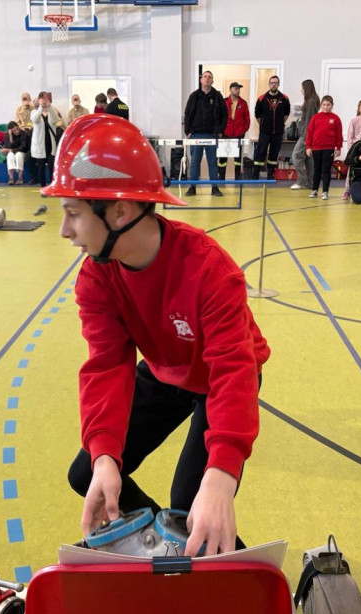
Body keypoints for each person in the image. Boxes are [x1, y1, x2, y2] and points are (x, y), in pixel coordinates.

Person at [43, 112, 269, 565]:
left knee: (195, 508)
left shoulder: (208, 269)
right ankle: (165, 546)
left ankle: (251, 577)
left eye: (73, 214)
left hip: (216, 377)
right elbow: (106, 365)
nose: (65, 230)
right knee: (88, 469)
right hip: (168, 370)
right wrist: (106, 454)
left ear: (121, 212)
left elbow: (233, 369)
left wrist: (221, 474)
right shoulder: (96, 279)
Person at [182, 71, 227, 197]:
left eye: (210, 77)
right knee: (195, 162)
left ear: (212, 81)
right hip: (196, 135)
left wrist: (220, 131)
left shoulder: (217, 96)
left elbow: (225, 115)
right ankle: (192, 187)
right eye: (205, 77)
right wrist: (188, 131)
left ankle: (214, 187)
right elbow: (187, 114)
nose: (207, 79)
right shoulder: (194, 96)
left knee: (213, 162)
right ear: (201, 80)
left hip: (212, 135)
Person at [304, 95, 343, 201]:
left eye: (328, 105)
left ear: (332, 105)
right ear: (321, 105)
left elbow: (339, 134)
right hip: (316, 148)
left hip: (329, 148)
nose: (326, 107)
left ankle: (325, 191)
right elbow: (310, 132)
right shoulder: (315, 117)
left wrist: (338, 147)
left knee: (326, 169)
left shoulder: (335, 118)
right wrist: (308, 147)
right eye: (324, 105)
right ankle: (314, 190)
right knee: (316, 169)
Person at [253, 75, 290, 180]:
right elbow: (257, 114)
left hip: (278, 133)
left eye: (276, 82)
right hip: (265, 132)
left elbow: (286, 114)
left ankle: (270, 174)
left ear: (278, 84)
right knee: (261, 153)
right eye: (272, 82)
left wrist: (280, 124)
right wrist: (264, 124)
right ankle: (256, 174)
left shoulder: (285, 98)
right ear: (269, 84)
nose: (274, 84)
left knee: (274, 154)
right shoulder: (262, 99)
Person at [289, 79, 319, 191]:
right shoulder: (312, 100)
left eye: (302, 87)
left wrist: (306, 138)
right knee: (308, 159)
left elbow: (309, 121)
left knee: (296, 156)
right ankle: (311, 182)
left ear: (306, 88)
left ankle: (302, 180)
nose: (301, 90)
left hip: (307, 135)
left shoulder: (311, 102)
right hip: (309, 134)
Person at [217, 82, 250, 181]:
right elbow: (218, 117)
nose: (238, 90)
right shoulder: (223, 102)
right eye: (236, 88)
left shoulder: (243, 103)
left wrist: (243, 131)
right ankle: (221, 177)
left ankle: (237, 178)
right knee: (222, 158)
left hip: (238, 135)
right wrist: (220, 131)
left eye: (239, 89)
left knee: (238, 159)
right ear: (230, 90)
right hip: (225, 134)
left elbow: (247, 119)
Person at [30, 92, 62, 186]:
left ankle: (53, 185)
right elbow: (35, 120)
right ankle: (43, 187)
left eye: (45, 98)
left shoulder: (52, 111)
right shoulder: (35, 112)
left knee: (52, 168)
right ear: (38, 100)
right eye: (41, 99)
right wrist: (40, 107)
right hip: (40, 146)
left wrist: (49, 107)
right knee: (41, 169)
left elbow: (55, 120)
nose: (43, 100)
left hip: (50, 144)